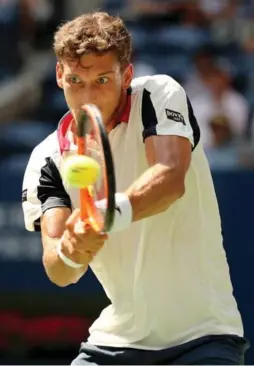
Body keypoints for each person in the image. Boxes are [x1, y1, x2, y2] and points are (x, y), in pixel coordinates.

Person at [22, 11, 248, 365]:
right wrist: (72, 249)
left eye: (101, 80)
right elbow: (59, 269)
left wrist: (107, 213)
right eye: (75, 81)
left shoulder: (158, 94)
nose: (88, 97)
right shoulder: (47, 158)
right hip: (113, 344)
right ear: (58, 76)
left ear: (126, 75)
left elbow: (170, 178)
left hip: (204, 336)